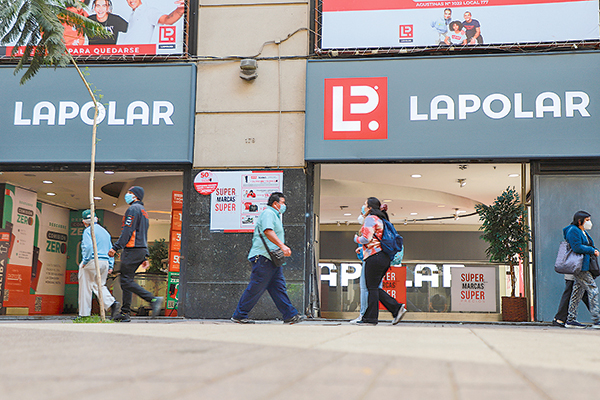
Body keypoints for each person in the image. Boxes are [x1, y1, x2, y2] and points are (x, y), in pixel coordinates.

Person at [231, 192, 303, 324]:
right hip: (263, 257)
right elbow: (268, 231)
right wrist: (282, 246)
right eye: (283, 203)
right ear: (275, 204)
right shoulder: (268, 213)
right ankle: (239, 315)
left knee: (278, 287)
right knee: (256, 287)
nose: (284, 206)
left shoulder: (274, 215)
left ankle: (290, 315)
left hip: (272, 259)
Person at [108, 186, 163, 322]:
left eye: (130, 193)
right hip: (140, 249)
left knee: (125, 280)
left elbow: (127, 230)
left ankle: (153, 299)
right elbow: (142, 233)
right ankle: (125, 313)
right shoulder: (143, 211)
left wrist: (115, 247)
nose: (127, 195)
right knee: (127, 280)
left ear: (136, 196)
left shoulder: (133, 209)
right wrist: (144, 256)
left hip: (132, 249)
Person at [353, 197, 406, 325]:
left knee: (371, 288)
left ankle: (373, 318)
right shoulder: (381, 219)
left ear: (370, 207)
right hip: (383, 257)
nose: (363, 206)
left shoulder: (371, 219)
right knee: (374, 288)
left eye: (365, 204)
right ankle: (394, 309)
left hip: (374, 257)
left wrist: (356, 239)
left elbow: (366, 238)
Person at [78, 209, 120, 319]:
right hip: (105, 262)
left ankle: (84, 315)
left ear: (84, 222)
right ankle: (112, 303)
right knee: (99, 285)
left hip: (92, 261)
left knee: (85, 288)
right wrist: (111, 265)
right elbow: (111, 250)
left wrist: (85, 261)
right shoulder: (105, 232)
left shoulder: (88, 231)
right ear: (97, 219)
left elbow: (88, 247)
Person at [562, 211, 600, 328]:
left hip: (584, 265)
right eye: (587, 220)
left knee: (577, 292)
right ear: (580, 221)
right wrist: (591, 251)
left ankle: (570, 319)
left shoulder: (582, 231)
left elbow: (588, 245)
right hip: (580, 267)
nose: (589, 222)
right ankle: (597, 319)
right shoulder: (573, 230)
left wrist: (593, 249)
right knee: (593, 289)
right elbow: (576, 247)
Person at [118, 0, 185, 44]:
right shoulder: (132, 14)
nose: (131, 1)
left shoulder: (148, 11)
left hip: (139, 58)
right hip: (126, 57)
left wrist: (179, 11)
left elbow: (166, 20)